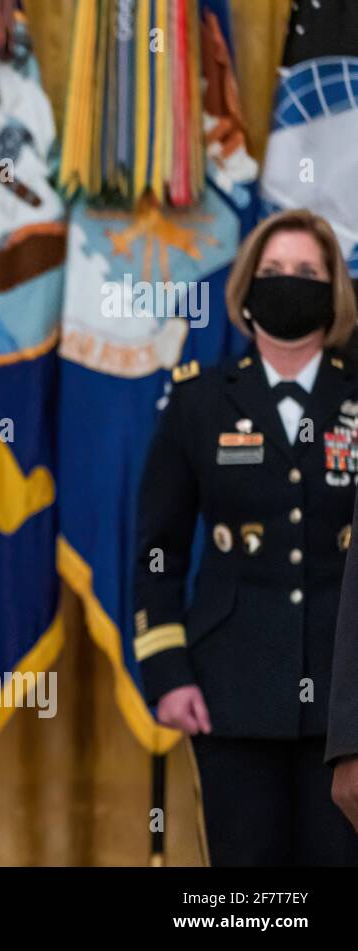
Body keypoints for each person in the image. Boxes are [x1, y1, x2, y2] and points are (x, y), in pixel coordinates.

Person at [133, 208, 358, 865]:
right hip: (231, 688)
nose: (290, 282)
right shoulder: (199, 402)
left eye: (308, 272)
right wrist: (168, 672)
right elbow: (158, 549)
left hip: (342, 703)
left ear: (335, 289)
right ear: (246, 288)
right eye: (274, 271)